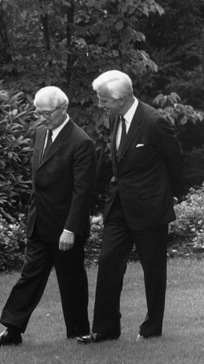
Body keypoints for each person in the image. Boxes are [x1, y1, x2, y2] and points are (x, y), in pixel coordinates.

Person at [0, 86, 97, 346]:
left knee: (71, 281)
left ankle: (79, 331)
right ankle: (12, 331)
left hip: (65, 227)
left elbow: (83, 193)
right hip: (39, 223)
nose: (42, 118)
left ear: (63, 109)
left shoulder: (81, 142)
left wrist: (70, 229)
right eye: (39, 113)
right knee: (29, 277)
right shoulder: (38, 134)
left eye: (47, 113)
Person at [77, 70, 184, 344]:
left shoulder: (154, 122)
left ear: (122, 99)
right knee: (107, 261)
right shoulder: (116, 118)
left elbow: (176, 160)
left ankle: (151, 329)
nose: (101, 106)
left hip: (150, 208)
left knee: (153, 270)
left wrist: (171, 196)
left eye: (104, 101)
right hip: (119, 207)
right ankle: (105, 329)